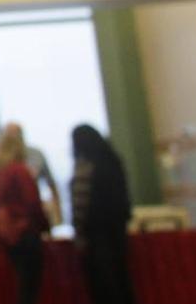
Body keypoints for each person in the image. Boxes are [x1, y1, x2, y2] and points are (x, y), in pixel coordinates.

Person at [71, 124, 137, 304]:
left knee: (104, 284)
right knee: (120, 279)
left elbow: (80, 204)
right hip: (116, 231)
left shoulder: (85, 167)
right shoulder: (112, 161)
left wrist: (79, 232)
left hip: (95, 234)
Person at [0, 126, 50, 304]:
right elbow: (32, 203)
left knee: (22, 283)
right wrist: (45, 226)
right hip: (26, 233)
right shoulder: (20, 171)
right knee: (30, 286)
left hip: (7, 236)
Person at [0, 122, 63, 225]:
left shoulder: (34, 157)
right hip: (10, 216)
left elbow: (50, 185)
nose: (13, 139)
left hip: (15, 216)